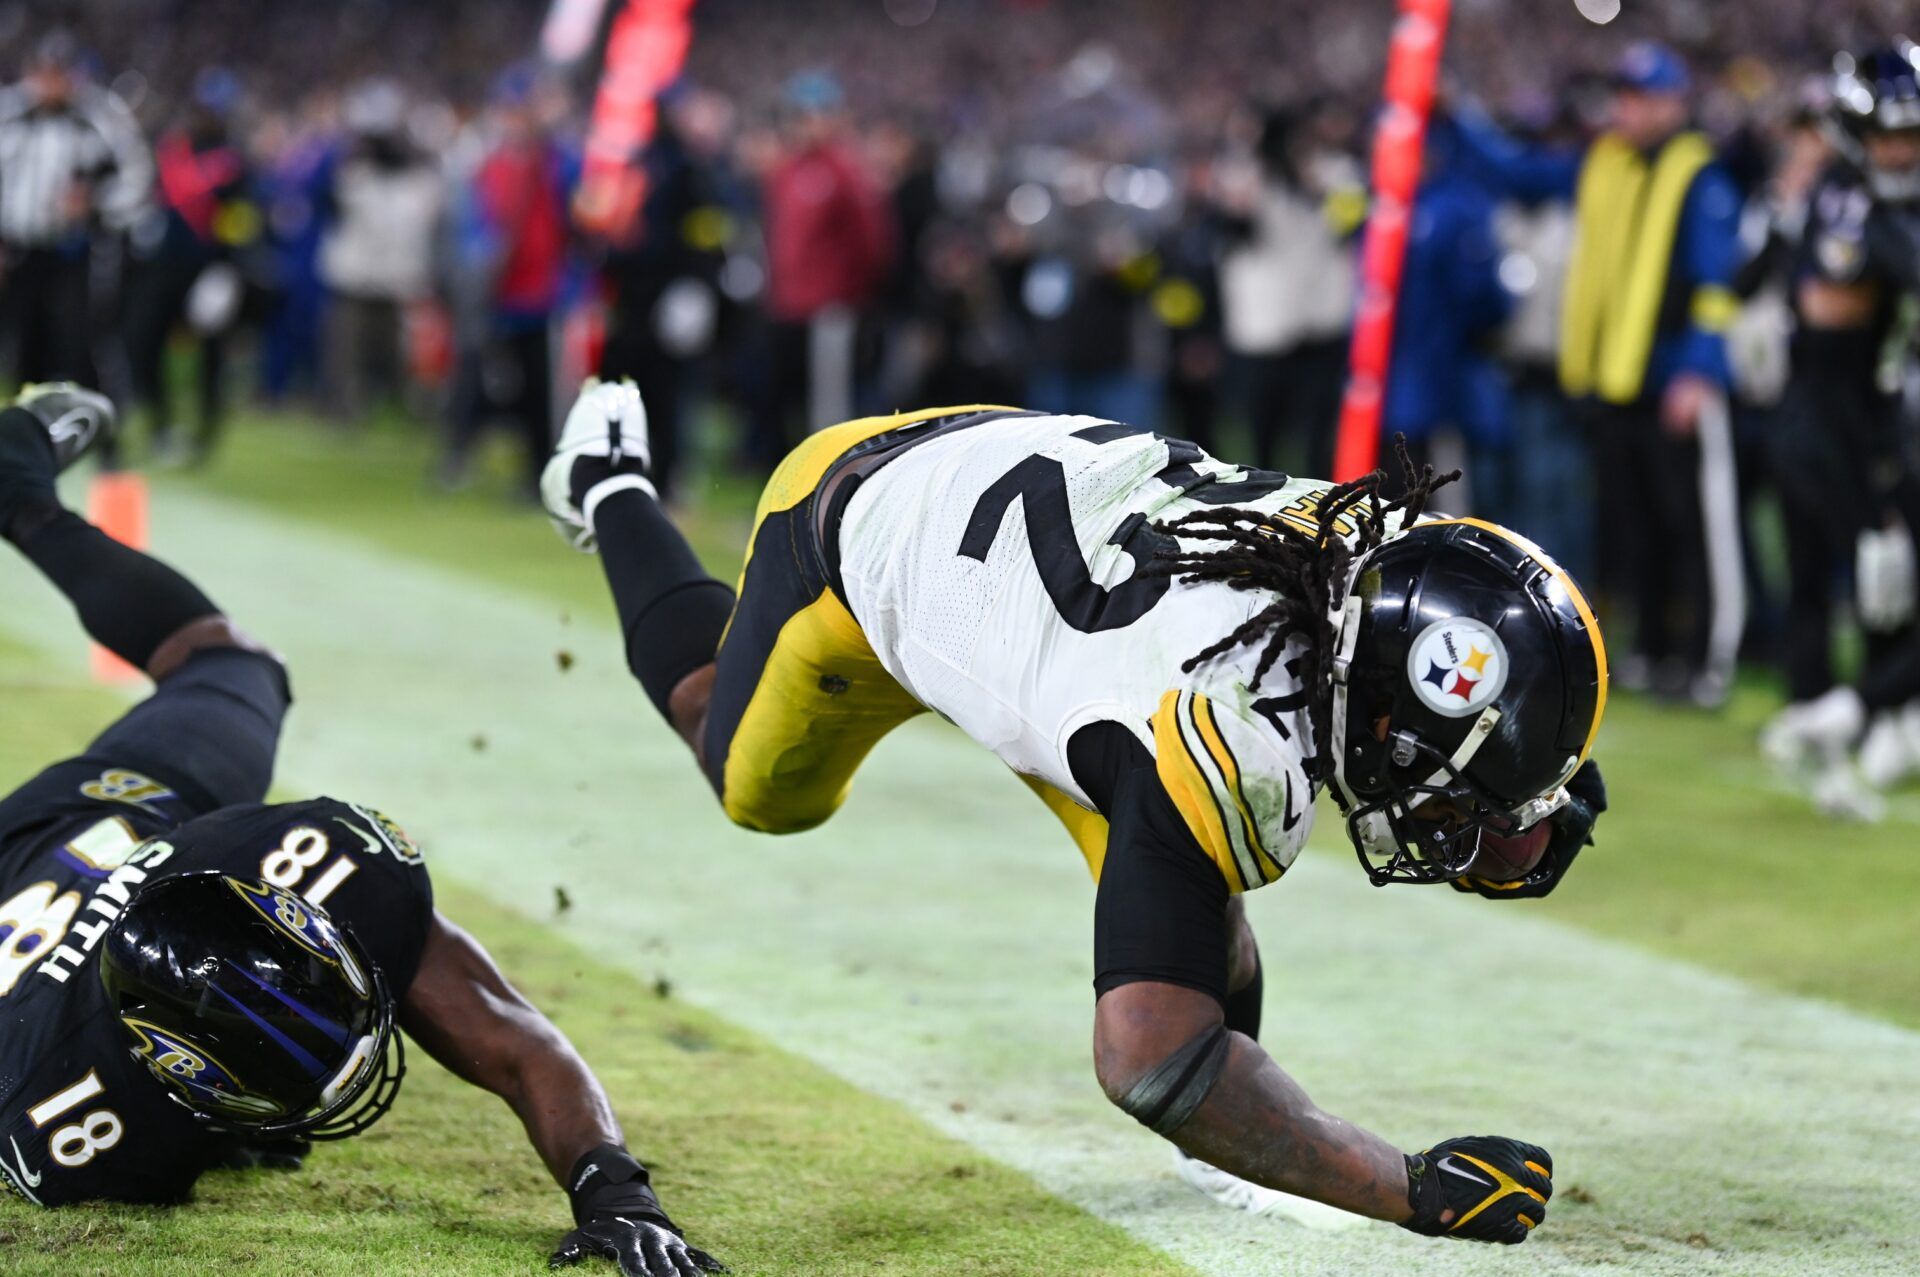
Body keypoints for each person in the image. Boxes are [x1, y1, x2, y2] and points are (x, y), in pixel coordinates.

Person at [542, 380, 1610, 1243]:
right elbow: (1147, 1058)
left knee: (1194, 890)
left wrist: (1523, 780)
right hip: (855, 535)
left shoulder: (1360, 548)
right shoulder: (1226, 728)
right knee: (746, 777)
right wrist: (1407, 1185)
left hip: (1040, 559)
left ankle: (1222, 1163)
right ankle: (606, 480)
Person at [0, 384, 721, 1277]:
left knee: (229, 662)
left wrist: (616, 1192)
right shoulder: (64, 1116)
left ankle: (20, 493)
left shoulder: (301, 866)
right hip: (45, 886)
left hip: (127, 820)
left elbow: (513, 1033)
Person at [1449, 43, 1744, 705]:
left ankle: (1706, 661)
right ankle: (1650, 652)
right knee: (1630, 526)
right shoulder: (1602, 163)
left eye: (1642, 97)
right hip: (1614, 385)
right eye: (1624, 96)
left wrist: (1698, 370)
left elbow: (1717, 286)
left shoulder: (1700, 177)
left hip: (1672, 384)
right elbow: (1518, 172)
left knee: (1690, 527)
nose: (1628, 110)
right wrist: (1458, 116)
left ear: (1674, 103)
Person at [1760, 43, 1920, 811]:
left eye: (1911, 134)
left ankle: (1861, 723)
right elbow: (1830, 304)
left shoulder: (1874, 199)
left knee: (1878, 586)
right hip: (1832, 420)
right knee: (1847, 584)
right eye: (1888, 134)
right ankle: (1847, 724)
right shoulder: (1848, 196)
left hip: (1864, 418)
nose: (1901, 149)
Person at [0, 32, 151, 391]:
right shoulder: (9, 114)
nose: (51, 84)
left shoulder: (101, 116)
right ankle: (32, 432)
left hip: (77, 251)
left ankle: (100, 427)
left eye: (59, 73)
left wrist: (97, 203)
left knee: (82, 342)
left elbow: (138, 177)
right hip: (18, 250)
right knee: (24, 344)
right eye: (44, 72)